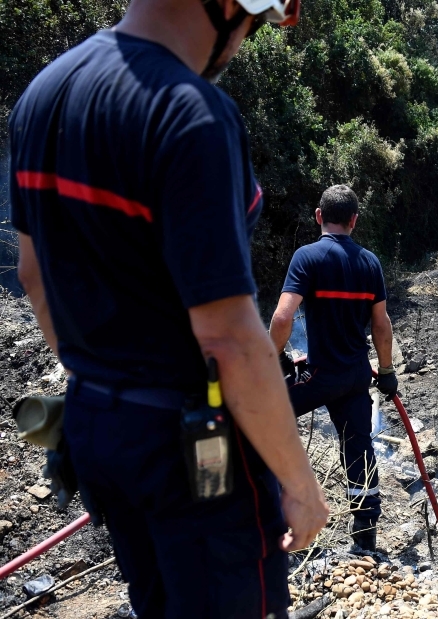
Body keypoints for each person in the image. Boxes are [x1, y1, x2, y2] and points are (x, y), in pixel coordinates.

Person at [9, 0, 329, 616]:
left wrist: (111, 385)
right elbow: (230, 340)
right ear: (229, 8)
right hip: (194, 457)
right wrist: (299, 483)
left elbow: (33, 277)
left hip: (96, 427)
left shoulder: (43, 94)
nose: (243, 42)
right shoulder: (191, 114)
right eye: (255, 23)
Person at [268, 184, 396, 553]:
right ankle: (365, 538)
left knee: (263, 420)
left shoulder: (307, 257)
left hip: (321, 375)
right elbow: (381, 324)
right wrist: (386, 371)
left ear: (319, 216)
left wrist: (274, 357)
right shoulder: (370, 262)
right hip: (356, 375)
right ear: (354, 221)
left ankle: (275, 519)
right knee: (359, 449)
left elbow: (282, 316)